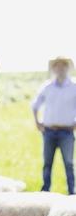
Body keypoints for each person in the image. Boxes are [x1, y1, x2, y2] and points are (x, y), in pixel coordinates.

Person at [31, 56, 76, 195]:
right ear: (54, 68)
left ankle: (72, 192)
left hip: (67, 132)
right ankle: (46, 191)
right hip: (49, 132)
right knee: (47, 163)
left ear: (67, 68)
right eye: (57, 66)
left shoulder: (74, 87)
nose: (60, 68)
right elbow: (35, 105)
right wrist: (37, 122)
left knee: (69, 163)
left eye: (63, 66)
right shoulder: (47, 87)